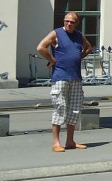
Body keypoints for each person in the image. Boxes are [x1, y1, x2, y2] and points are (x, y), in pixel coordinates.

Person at [37, 12, 94, 152]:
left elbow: (89, 48)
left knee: (74, 109)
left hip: (75, 77)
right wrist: (52, 60)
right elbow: (41, 47)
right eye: (66, 21)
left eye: (72, 22)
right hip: (60, 77)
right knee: (60, 107)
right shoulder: (56, 34)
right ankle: (56, 142)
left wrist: (78, 57)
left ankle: (70, 141)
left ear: (76, 23)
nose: (69, 24)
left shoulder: (79, 35)